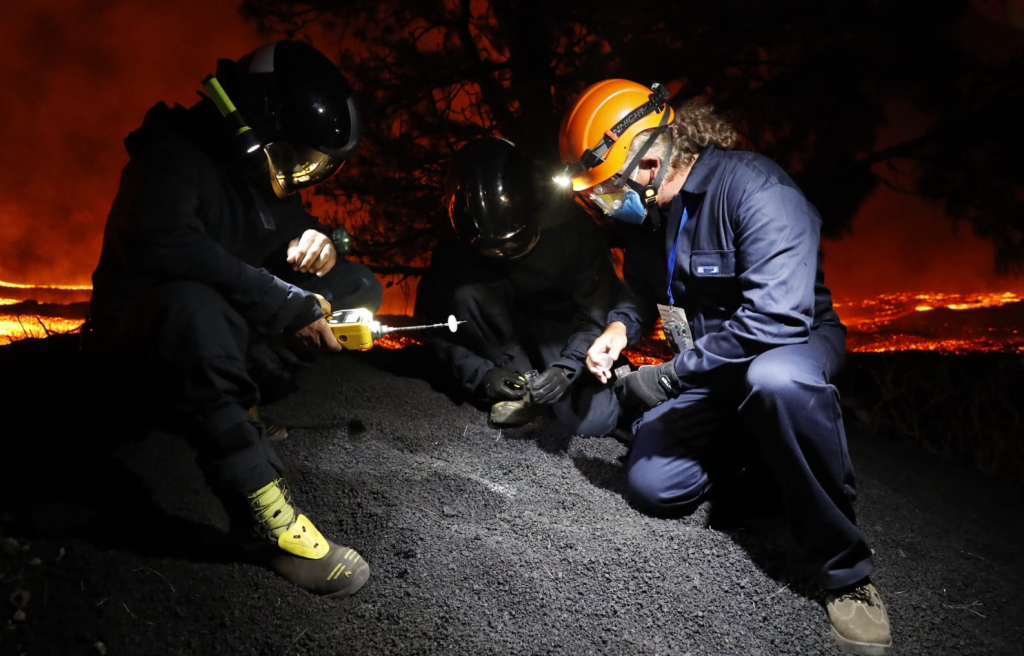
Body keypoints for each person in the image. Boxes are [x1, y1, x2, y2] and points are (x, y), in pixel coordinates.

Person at [558, 79, 893, 655]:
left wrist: (667, 377)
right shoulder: (647, 222)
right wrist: (618, 330)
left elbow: (777, 320)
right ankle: (765, 462)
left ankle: (848, 575)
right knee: (651, 487)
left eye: (609, 188)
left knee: (776, 382)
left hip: (790, 344)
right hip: (713, 362)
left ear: (652, 162)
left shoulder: (757, 189)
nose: (604, 203)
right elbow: (642, 298)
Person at [83, 40, 383, 599]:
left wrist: (321, 243)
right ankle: (259, 516)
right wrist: (282, 302)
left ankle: (240, 403)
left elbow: (284, 233)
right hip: (142, 344)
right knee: (193, 308)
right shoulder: (171, 157)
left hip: (216, 332)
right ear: (263, 121)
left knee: (356, 285)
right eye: (303, 158)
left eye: (318, 166)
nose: (304, 175)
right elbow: (167, 247)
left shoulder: (262, 173)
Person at [414, 136, 625, 436]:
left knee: (594, 421)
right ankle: (517, 387)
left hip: (561, 333)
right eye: (495, 248)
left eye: (518, 241)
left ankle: (564, 387)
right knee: (465, 293)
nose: (508, 253)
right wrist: (482, 375)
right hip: (500, 342)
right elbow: (434, 330)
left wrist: (568, 367)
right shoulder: (454, 252)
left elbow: (597, 313)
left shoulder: (572, 229)